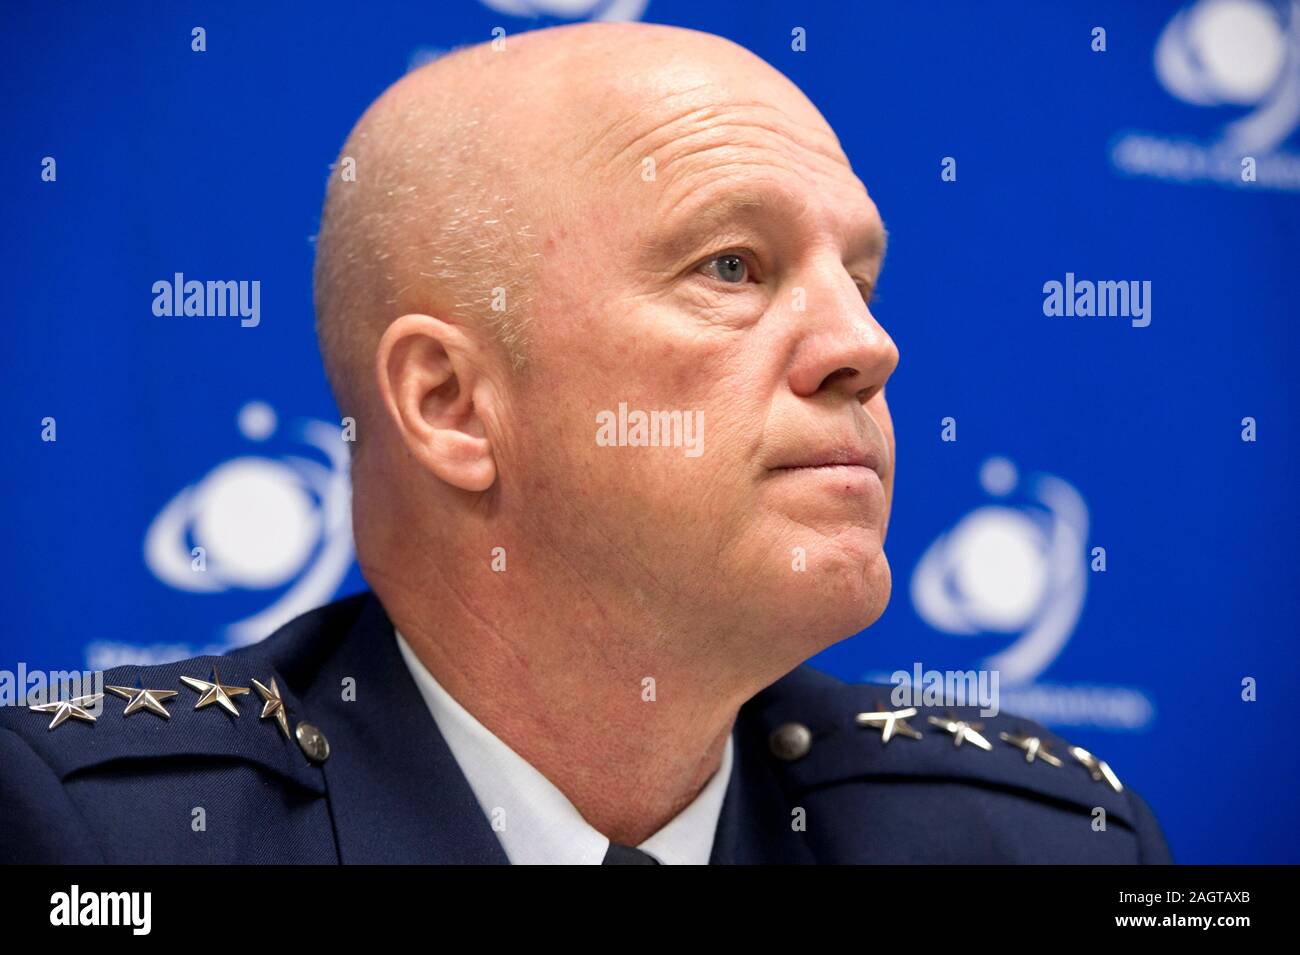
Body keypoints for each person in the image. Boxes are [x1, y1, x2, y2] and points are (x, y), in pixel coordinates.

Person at [0, 22, 1170, 864]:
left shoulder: (1037, 840)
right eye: (732, 266)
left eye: (858, 278)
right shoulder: (93, 839)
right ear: (452, 404)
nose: (866, 346)